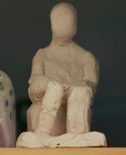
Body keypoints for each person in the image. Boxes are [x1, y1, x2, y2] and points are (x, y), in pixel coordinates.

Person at [26, 3, 101, 143]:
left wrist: (72, 87)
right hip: (46, 95)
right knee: (53, 87)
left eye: (67, 17)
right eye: (58, 17)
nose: (63, 21)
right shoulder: (42, 55)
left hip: (74, 97)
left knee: (81, 91)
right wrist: (52, 86)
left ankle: (76, 134)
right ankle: (42, 132)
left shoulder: (86, 57)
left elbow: (90, 84)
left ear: (75, 23)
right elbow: (35, 81)